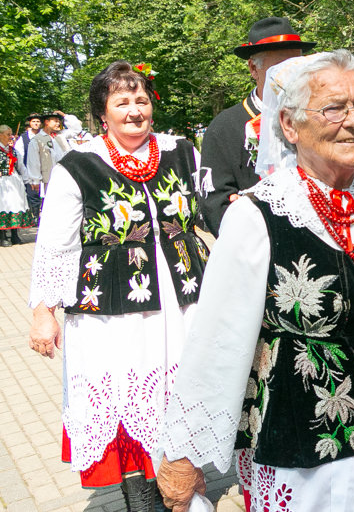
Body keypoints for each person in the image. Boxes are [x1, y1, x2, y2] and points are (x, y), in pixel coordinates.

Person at [156, 50, 354, 512]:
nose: (353, 121)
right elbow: (218, 339)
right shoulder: (258, 214)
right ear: (291, 126)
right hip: (304, 443)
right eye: (334, 108)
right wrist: (183, 453)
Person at [27, 61, 209, 511]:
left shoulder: (182, 152)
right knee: (129, 409)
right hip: (112, 314)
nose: (134, 111)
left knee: (185, 402)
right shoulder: (79, 165)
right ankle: (143, 503)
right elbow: (57, 247)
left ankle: (184, 491)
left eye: (141, 100)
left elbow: (215, 209)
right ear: (102, 113)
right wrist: (43, 313)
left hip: (184, 303)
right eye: (121, 102)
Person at [199, 17, 316, 235]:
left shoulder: (319, 117)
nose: (291, 76)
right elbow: (216, 205)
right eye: (281, 67)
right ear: (254, 68)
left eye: (296, 66)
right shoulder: (224, 128)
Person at [0, 124, 36, 245]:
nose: (11, 137)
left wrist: (27, 181)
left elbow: (21, 167)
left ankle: (15, 234)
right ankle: (3, 236)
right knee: (4, 206)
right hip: (2, 182)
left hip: (14, 182)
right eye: (8, 135)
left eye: (11, 135)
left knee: (16, 205)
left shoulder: (14, 151)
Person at [27, 110, 72, 200]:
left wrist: (65, 115)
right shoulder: (37, 140)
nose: (58, 123)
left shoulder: (60, 136)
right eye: (55, 121)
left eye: (59, 121)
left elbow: (76, 129)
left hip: (65, 177)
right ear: (47, 122)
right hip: (49, 179)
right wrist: (35, 180)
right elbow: (34, 162)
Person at [16, 113, 42, 219]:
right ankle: (34, 217)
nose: (36, 124)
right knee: (32, 195)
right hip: (29, 171)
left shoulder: (45, 136)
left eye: (38, 121)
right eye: (34, 121)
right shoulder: (23, 138)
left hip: (44, 171)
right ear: (30, 123)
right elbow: (19, 156)